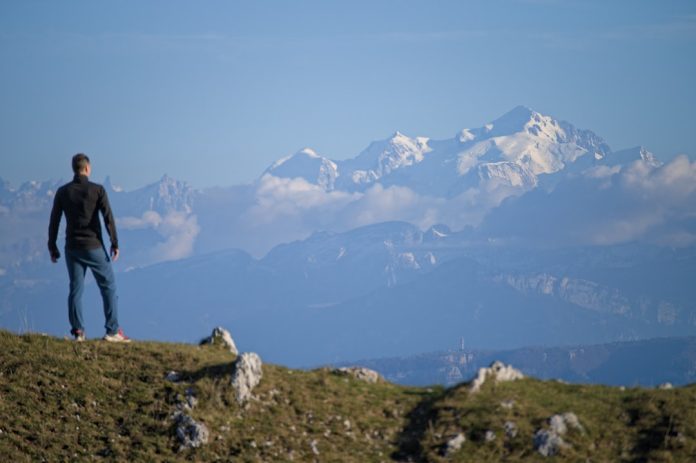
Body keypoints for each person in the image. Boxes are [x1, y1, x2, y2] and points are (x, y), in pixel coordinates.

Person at [48, 153, 130, 343]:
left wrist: (52, 246)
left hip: (72, 248)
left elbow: (54, 220)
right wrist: (114, 243)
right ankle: (112, 331)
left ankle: (78, 332)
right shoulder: (97, 190)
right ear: (87, 168)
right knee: (108, 286)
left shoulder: (63, 192)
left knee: (75, 289)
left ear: (74, 169)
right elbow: (108, 217)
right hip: (94, 246)